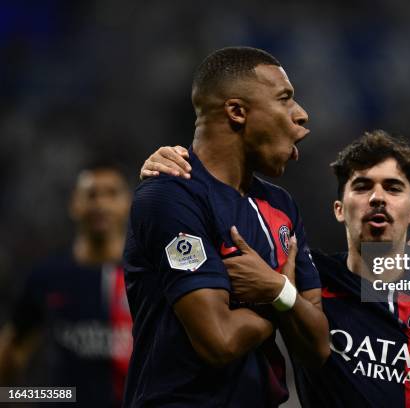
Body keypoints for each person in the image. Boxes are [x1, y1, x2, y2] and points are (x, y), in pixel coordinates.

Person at [142, 130, 410, 407]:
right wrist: (176, 173)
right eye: (363, 186)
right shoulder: (311, 275)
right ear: (339, 209)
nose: (378, 197)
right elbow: (218, 237)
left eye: (394, 188)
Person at [122, 46, 329, 407]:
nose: (302, 115)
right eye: (285, 99)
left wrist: (277, 289)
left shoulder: (281, 206)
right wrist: (282, 299)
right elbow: (218, 341)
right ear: (236, 111)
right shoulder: (170, 196)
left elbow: (317, 347)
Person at [0, 162, 133, 408]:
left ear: (127, 204)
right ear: (75, 204)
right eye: (91, 194)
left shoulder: (148, 275)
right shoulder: (47, 276)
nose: (101, 204)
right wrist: (29, 399)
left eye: (111, 194)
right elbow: (11, 354)